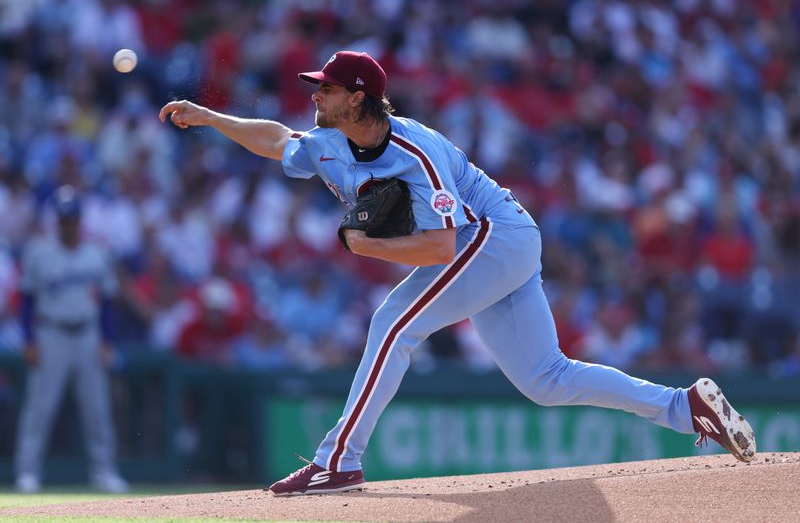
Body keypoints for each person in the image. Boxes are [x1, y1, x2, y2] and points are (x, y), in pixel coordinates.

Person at [159, 51, 756, 496]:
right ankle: (686, 407)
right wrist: (211, 117)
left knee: (393, 322)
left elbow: (442, 248)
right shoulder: (329, 140)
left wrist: (366, 246)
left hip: (494, 235)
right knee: (545, 379)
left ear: (360, 98)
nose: (316, 93)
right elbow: (278, 140)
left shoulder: (416, 153)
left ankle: (338, 459)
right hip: (492, 247)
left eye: (328, 88)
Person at [15, 185, 128, 494]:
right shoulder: (40, 252)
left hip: (88, 335)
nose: (68, 224)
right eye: (64, 219)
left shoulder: (96, 253)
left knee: (97, 408)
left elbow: (107, 301)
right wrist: (29, 340)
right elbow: (26, 299)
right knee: (40, 407)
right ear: (57, 220)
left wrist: (107, 340)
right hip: (51, 333)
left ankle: (103, 471)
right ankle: (28, 472)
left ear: (79, 220)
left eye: (72, 219)